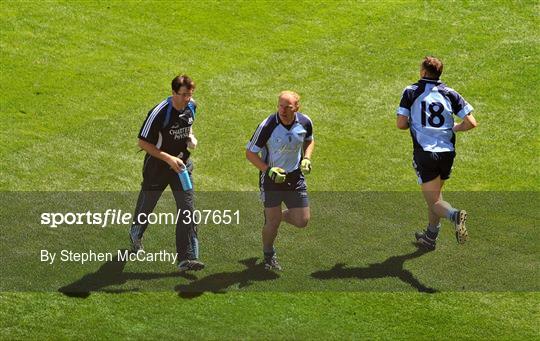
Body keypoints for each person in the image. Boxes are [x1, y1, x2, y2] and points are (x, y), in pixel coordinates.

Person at [396, 56, 478, 250]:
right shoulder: (450, 93)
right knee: (435, 197)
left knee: (434, 202)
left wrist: (415, 124)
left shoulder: (411, 91)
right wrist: (454, 128)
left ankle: (454, 214)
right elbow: (472, 123)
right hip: (447, 153)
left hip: (425, 153)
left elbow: (400, 124)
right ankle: (430, 236)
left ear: (424, 72)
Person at [129, 74, 204, 272]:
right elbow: (143, 143)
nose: (188, 98)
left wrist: (191, 137)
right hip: (158, 167)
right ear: (173, 93)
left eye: (190, 94)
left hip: (181, 167)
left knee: (187, 210)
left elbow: (187, 126)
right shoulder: (159, 112)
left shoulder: (192, 106)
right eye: (184, 94)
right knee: (148, 204)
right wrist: (169, 159)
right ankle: (136, 234)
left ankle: (186, 258)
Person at [246, 91, 315, 270]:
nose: (283, 110)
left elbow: (309, 140)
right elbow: (250, 153)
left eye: (288, 107)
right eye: (280, 106)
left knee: (302, 221)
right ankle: (268, 253)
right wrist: (268, 170)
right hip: (271, 179)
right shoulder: (267, 125)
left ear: (297, 108)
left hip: (295, 177)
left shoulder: (305, 122)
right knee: (273, 223)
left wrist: (307, 158)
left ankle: (275, 217)